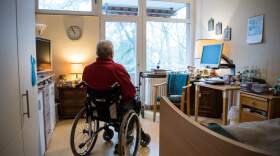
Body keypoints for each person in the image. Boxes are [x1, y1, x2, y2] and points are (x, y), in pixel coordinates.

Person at [82, 40, 137, 109]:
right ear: (111, 53)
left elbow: (86, 89)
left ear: (97, 53)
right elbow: (130, 91)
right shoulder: (117, 68)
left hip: (95, 107)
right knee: (134, 100)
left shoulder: (87, 69)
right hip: (114, 109)